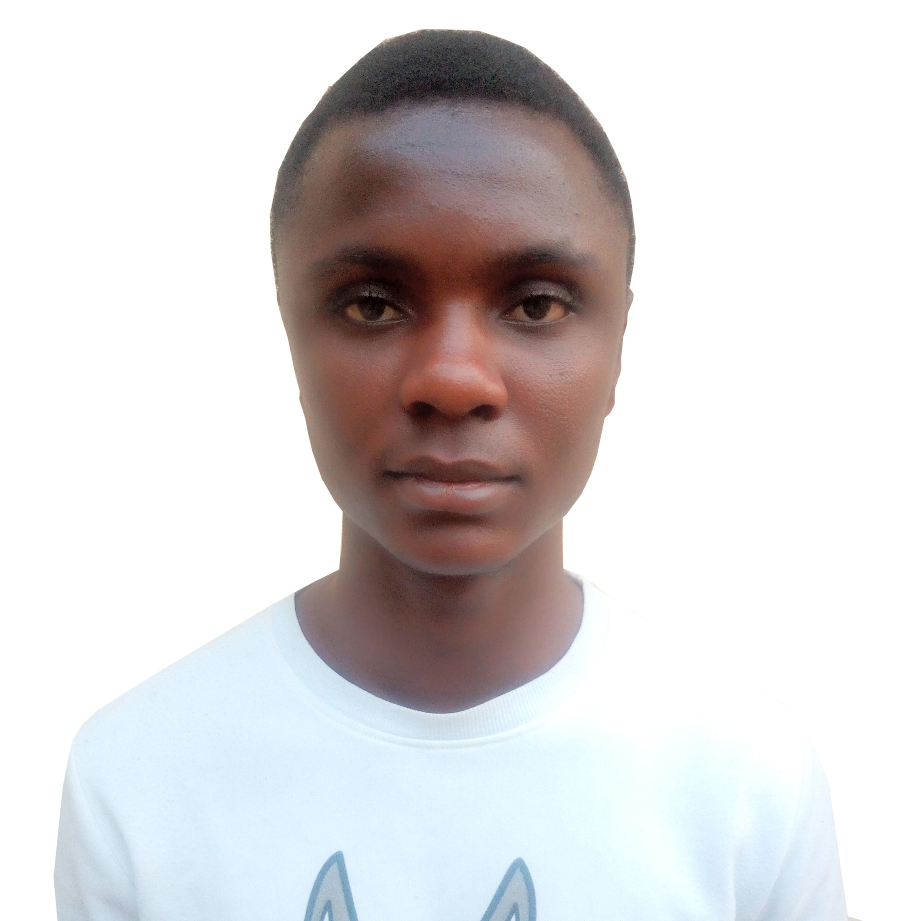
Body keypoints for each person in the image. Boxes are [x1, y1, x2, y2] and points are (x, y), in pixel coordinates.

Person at [54, 29, 847, 920]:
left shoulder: (748, 783)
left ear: (618, 341)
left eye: (535, 303)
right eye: (372, 304)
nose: (453, 379)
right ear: (289, 330)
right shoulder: (137, 776)